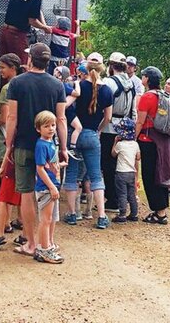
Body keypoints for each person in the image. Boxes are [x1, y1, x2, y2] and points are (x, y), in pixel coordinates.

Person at [5, 43, 67, 257]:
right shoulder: (57, 85)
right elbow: (61, 118)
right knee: (48, 191)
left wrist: (8, 144)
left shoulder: (17, 83)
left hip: (23, 143)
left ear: (30, 59)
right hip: (48, 147)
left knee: (27, 194)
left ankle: (31, 242)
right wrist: (64, 147)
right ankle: (47, 240)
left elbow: (12, 117)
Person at [62, 58, 113, 229]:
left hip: (74, 133)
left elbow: (67, 106)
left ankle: (71, 214)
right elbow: (108, 117)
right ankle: (101, 216)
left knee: (71, 175)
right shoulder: (107, 91)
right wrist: (98, 130)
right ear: (102, 69)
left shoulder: (79, 86)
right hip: (92, 134)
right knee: (95, 176)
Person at [0, 54, 26, 250]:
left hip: (7, 139)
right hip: (26, 140)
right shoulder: (25, 83)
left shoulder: (8, 88)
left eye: (2, 68)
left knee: (6, 182)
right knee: (22, 182)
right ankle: (20, 219)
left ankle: (5, 224)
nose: (1, 71)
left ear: (13, 67)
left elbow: (4, 117)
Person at [100, 52, 138, 213]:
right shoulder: (131, 83)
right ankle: (124, 197)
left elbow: (103, 105)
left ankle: (113, 199)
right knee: (121, 164)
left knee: (108, 164)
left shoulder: (108, 82)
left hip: (109, 127)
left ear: (110, 66)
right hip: (125, 126)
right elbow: (133, 109)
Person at [134, 66, 170, 224]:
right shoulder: (164, 95)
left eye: (143, 76)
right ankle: (162, 209)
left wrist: (132, 138)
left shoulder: (147, 97)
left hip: (148, 140)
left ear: (147, 79)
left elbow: (140, 121)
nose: (142, 78)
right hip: (163, 139)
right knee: (161, 174)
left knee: (150, 175)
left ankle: (159, 212)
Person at [0, 0, 51, 64]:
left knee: (4, 63)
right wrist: (44, 28)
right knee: (22, 64)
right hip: (17, 34)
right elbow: (32, 21)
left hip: (5, 31)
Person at [34, 110, 65, 263]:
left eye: (53, 125)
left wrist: (59, 165)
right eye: (46, 126)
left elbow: (49, 164)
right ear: (39, 129)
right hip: (46, 187)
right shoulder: (41, 145)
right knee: (45, 219)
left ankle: (49, 244)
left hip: (53, 185)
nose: (51, 129)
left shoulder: (51, 143)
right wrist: (51, 187)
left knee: (52, 218)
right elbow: (40, 168)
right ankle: (43, 249)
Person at [111, 118, 140, 223]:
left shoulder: (120, 144)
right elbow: (138, 157)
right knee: (131, 194)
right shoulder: (135, 144)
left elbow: (113, 154)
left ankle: (122, 214)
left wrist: (115, 142)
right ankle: (134, 213)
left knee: (122, 194)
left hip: (121, 172)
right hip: (131, 173)